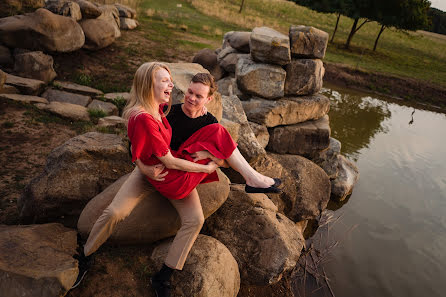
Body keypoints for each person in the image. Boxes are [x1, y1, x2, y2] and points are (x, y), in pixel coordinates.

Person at [72, 63, 281, 297]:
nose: (191, 99)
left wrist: (209, 156)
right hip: (150, 171)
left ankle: (163, 276)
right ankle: (86, 255)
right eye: (190, 92)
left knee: (195, 219)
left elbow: (224, 161)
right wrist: (144, 168)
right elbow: (134, 143)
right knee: (115, 212)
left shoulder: (209, 123)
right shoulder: (168, 110)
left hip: (179, 175)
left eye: (198, 96)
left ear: (208, 99)